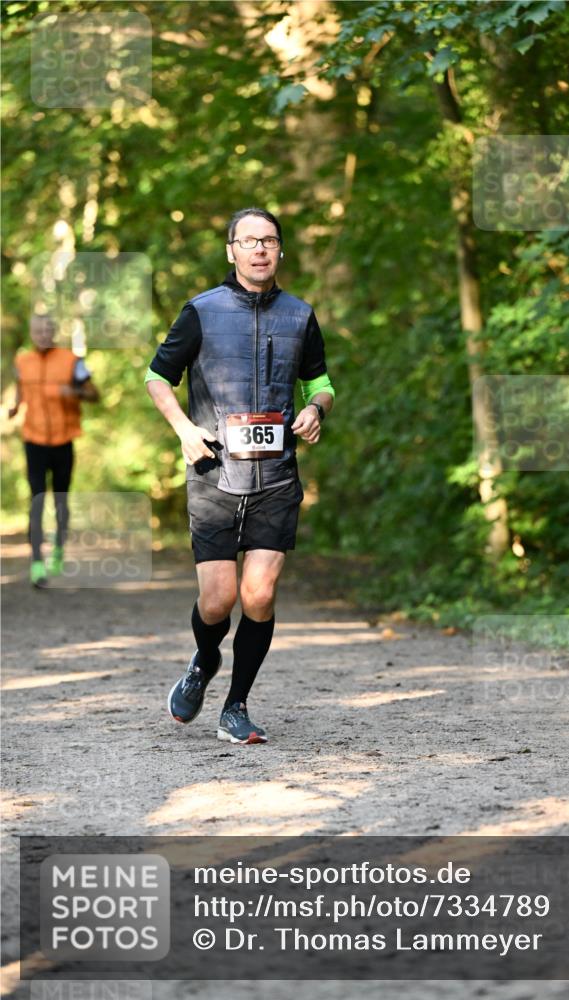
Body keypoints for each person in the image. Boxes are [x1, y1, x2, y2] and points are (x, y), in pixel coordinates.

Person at [145, 207, 335, 745]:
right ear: (231, 250)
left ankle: (237, 706)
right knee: (218, 601)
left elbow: (321, 382)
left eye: (269, 241)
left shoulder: (300, 314)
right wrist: (183, 428)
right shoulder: (201, 312)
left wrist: (316, 409)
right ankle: (204, 662)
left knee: (259, 595)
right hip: (213, 474)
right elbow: (157, 377)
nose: (259, 249)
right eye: (249, 241)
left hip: (276, 476)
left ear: (280, 251)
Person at [9, 314, 99, 588]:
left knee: (60, 500)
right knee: (36, 501)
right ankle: (37, 562)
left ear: (54, 332)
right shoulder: (22, 361)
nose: (43, 335)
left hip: (63, 440)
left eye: (48, 330)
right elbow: (19, 393)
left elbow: (95, 394)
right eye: (38, 330)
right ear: (31, 332)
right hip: (33, 440)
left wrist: (74, 392)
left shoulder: (72, 361)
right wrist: (13, 408)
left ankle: (58, 548)